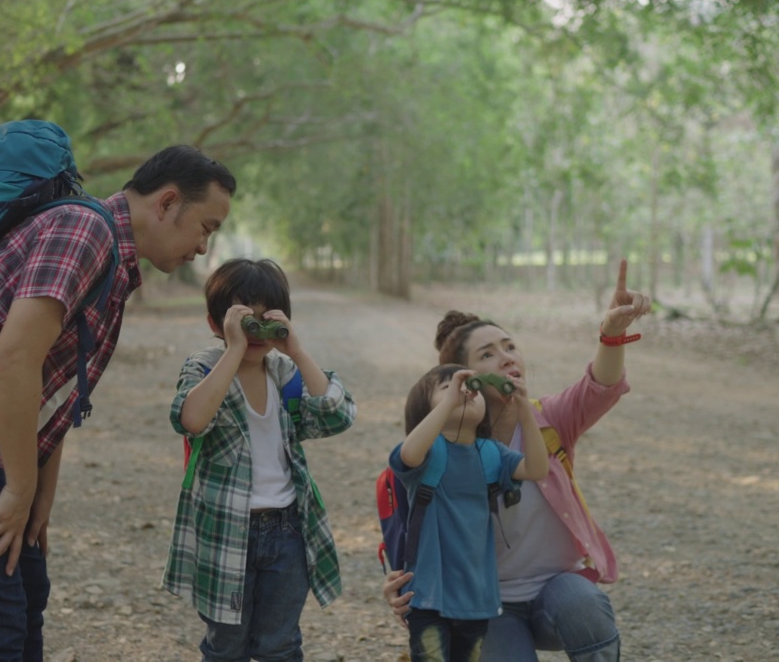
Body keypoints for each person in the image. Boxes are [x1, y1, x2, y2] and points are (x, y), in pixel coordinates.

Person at [0, 143, 236, 661]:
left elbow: (55, 390)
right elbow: (14, 359)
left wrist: (38, 496)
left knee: (28, 596)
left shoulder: (114, 260)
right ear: (167, 203)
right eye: (206, 228)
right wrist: (17, 488)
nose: (202, 248)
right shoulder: (86, 233)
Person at [385, 259, 650, 662]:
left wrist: (612, 334)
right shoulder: (437, 450)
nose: (507, 357)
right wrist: (398, 585)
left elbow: (602, 385)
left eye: (510, 346)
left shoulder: (550, 420)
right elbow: (410, 527)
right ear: (463, 378)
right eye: (488, 354)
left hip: (556, 589)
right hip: (484, 604)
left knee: (583, 604)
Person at [163, 258, 356, 661]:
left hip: (287, 528)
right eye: (243, 319)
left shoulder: (284, 371)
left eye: (264, 317)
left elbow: (337, 414)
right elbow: (191, 419)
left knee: (280, 645)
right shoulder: (203, 367)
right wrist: (234, 348)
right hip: (226, 530)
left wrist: (296, 349)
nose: (256, 329)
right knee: (227, 647)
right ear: (216, 324)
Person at [390, 363, 548, 661]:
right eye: (446, 387)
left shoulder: (492, 452)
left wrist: (526, 410)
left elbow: (538, 468)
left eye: (468, 386)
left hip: (477, 596)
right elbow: (408, 455)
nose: (463, 390)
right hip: (427, 595)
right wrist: (451, 401)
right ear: (426, 409)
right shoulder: (427, 451)